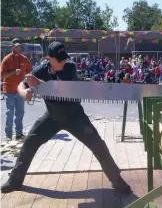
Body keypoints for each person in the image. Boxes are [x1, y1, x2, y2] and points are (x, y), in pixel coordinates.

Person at [1, 42, 131, 195]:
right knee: (29, 142)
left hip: (74, 116)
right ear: (50, 58)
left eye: (64, 58)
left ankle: (117, 180)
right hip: (52, 117)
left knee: (98, 144)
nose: (63, 62)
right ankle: (15, 180)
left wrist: (39, 84)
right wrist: (25, 93)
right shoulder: (41, 69)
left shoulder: (70, 67)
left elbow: (60, 88)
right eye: (59, 60)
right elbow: (20, 85)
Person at [0, 38, 32, 141]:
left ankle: (19, 134)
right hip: (9, 91)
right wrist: (14, 72)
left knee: (20, 113)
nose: (18, 48)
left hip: (20, 91)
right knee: (9, 113)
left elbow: (30, 72)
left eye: (19, 46)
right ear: (12, 46)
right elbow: (2, 74)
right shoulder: (7, 59)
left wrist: (28, 84)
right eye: (16, 46)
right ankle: (8, 136)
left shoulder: (24, 59)